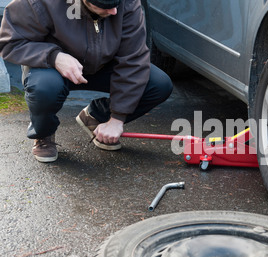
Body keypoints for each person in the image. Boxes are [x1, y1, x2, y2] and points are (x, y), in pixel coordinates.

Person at [0, 0, 173, 162]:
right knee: (44, 89)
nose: (113, 11)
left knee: (158, 84)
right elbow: (10, 42)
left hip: (104, 64)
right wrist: (54, 56)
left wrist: (117, 119)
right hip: (53, 68)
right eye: (104, 7)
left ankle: (96, 117)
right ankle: (44, 133)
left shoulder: (125, 4)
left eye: (115, 5)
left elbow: (133, 60)